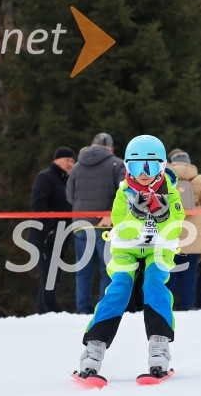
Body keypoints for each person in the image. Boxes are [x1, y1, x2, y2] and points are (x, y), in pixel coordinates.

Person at [76, 135, 185, 379]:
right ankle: (94, 347)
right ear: (127, 167)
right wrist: (136, 214)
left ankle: (159, 344)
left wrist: (164, 216)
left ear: (162, 167)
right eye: (136, 167)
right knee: (119, 287)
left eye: (150, 166)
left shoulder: (171, 192)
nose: (143, 174)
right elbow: (121, 228)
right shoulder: (124, 193)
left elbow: (175, 229)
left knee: (154, 283)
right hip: (126, 248)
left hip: (159, 248)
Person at [66, 132, 126, 314]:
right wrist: (111, 213)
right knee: (108, 269)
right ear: (111, 148)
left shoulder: (77, 166)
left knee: (83, 270)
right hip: (104, 225)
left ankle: (83, 309)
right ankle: (103, 308)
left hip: (80, 224)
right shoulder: (118, 164)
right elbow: (125, 194)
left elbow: (70, 196)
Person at [165, 149, 201, 310]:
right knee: (189, 271)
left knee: (170, 269)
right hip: (194, 232)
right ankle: (187, 305)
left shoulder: (165, 178)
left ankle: (170, 305)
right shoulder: (199, 179)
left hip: (171, 231)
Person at [30, 146, 75, 313]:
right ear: (56, 160)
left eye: (73, 161)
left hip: (61, 236)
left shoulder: (66, 181)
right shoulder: (46, 177)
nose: (70, 164)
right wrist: (50, 228)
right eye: (67, 160)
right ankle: (49, 311)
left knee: (53, 276)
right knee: (48, 275)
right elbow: (38, 205)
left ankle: (43, 311)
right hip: (44, 235)